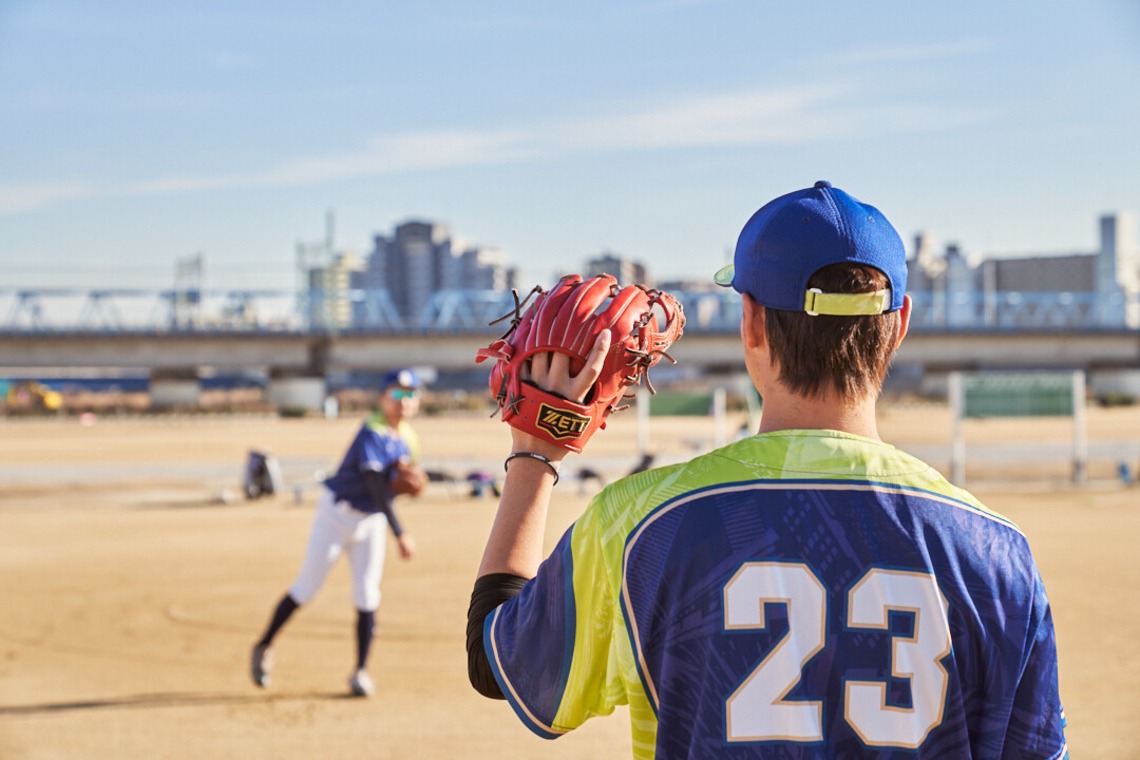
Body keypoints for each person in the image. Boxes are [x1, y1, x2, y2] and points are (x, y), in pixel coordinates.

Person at [466, 182, 1068, 758]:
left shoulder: (639, 523)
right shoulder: (998, 553)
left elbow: (497, 661)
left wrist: (535, 456)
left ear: (751, 323)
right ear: (899, 325)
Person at [252, 368, 423, 697]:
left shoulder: (410, 438)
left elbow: (401, 479)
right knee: (306, 588)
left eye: (411, 394)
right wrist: (400, 533)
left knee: (367, 595)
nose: (404, 401)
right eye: (397, 393)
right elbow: (375, 485)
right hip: (336, 515)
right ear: (382, 398)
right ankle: (263, 645)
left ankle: (360, 671)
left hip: (370, 520)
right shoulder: (371, 430)